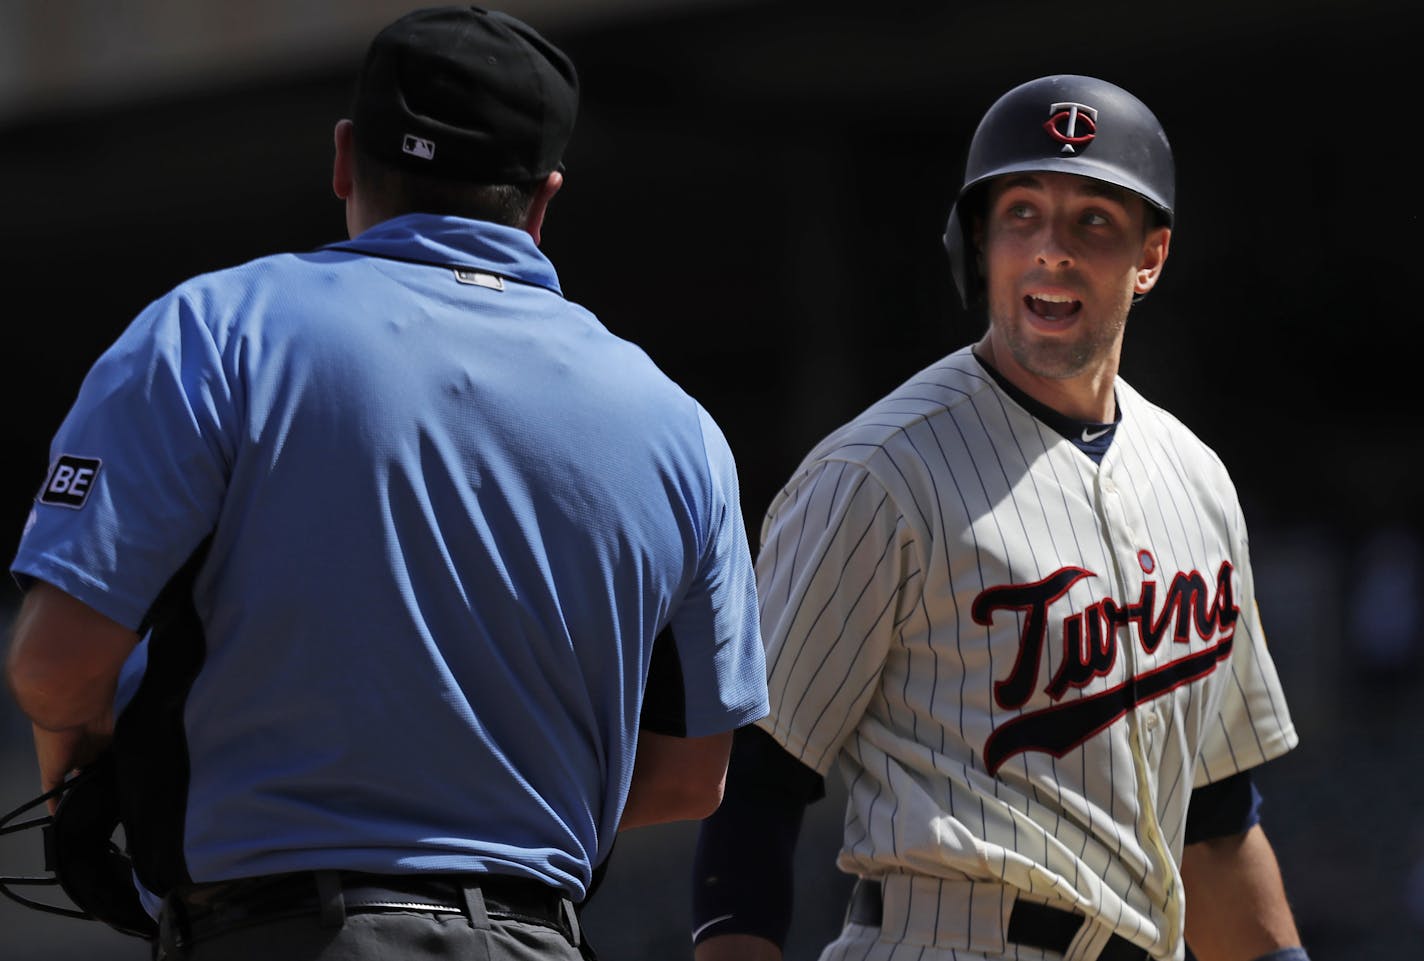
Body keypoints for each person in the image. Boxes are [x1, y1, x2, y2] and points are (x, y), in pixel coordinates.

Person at [4, 6, 769, 961]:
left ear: (341, 158)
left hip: (279, 934)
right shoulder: (682, 428)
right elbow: (693, 777)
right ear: (543, 201)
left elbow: (55, 667)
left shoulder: (214, 331)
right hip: (535, 940)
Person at [690, 74, 1309, 961]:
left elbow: (1216, 820)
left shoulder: (1199, 481)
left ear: (1151, 255)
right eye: (1022, 213)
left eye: (1093, 219)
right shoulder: (877, 473)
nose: (1051, 249)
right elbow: (753, 780)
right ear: (979, 244)